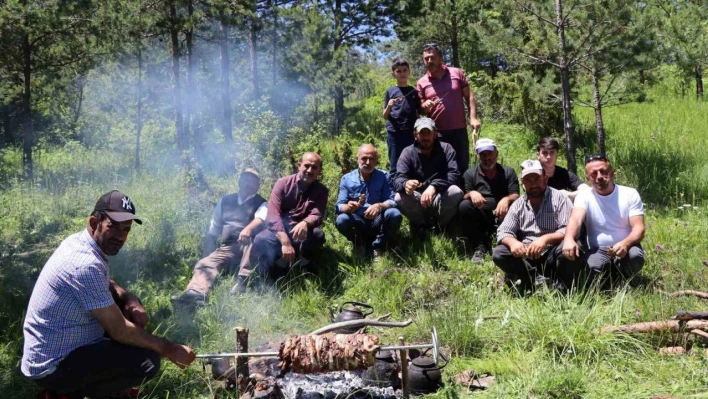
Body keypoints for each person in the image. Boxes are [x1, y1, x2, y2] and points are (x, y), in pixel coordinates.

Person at [21, 190, 195, 399]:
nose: (120, 236)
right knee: (147, 361)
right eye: (113, 226)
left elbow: (106, 284)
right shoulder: (84, 264)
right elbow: (119, 330)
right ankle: (65, 394)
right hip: (53, 365)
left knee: (126, 315)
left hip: (52, 350)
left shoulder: (80, 243)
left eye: (126, 229)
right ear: (95, 222)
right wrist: (170, 349)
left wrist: (128, 298)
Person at [171, 168, 268, 304]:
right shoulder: (225, 201)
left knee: (255, 238)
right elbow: (213, 229)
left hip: (250, 246)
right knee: (204, 264)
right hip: (229, 246)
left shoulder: (262, 203)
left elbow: (261, 218)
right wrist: (208, 254)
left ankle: (243, 282)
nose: (248, 183)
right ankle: (196, 294)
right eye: (246, 178)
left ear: (258, 185)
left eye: (253, 180)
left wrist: (248, 229)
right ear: (239, 180)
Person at [562, 155, 646, 284]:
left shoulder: (629, 194)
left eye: (604, 171)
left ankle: (627, 280)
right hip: (598, 249)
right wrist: (568, 239)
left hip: (627, 246)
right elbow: (576, 219)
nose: (599, 176)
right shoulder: (584, 196)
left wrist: (625, 243)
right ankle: (609, 277)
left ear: (612, 173)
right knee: (592, 268)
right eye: (594, 174)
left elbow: (639, 228)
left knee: (635, 257)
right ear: (588, 178)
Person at [493, 160, 575, 290]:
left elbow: (569, 228)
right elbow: (504, 231)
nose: (533, 184)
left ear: (545, 178)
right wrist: (513, 243)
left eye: (536, 179)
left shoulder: (560, 198)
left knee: (568, 247)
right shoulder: (518, 204)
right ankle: (536, 280)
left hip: (551, 253)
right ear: (523, 184)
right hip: (527, 255)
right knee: (499, 253)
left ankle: (561, 285)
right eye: (528, 180)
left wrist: (545, 239)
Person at [248, 153, 328, 282]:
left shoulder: (322, 190)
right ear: (299, 165)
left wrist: (305, 223)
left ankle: (304, 262)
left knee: (318, 235)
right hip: (280, 230)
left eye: (314, 168)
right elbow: (273, 215)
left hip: (302, 232)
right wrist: (285, 242)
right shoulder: (283, 183)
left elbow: (317, 214)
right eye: (306, 166)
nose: (309, 170)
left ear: (319, 171)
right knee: (261, 238)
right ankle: (277, 263)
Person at [416, 43, 482, 174]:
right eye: (426, 58)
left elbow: (469, 96)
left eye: (432, 57)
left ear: (441, 59)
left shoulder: (456, 73)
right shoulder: (422, 82)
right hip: (436, 133)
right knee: (441, 167)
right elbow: (421, 110)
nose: (429, 61)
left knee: (462, 165)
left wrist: (473, 118)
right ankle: (443, 193)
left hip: (459, 130)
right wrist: (425, 106)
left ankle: (463, 193)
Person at [392, 117, 463, 234]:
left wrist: (434, 187)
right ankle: (421, 226)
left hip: (440, 195)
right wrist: (405, 184)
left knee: (455, 192)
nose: (426, 137)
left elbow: (454, 174)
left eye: (428, 132)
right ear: (415, 134)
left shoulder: (446, 149)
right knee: (399, 197)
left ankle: (440, 226)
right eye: (422, 133)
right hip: (417, 198)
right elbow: (397, 178)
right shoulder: (407, 152)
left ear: (435, 133)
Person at [458, 138, 520, 263]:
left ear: (496, 153)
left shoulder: (508, 172)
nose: (487, 157)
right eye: (483, 154)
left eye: (489, 153)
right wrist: (472, 193)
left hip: (503, 214)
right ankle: (479, 246)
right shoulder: (470, 173)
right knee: (464, 206)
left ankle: (504, 245)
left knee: (513, 209)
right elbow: (463, 195)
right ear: (478, 156)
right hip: (481, 214)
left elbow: (516, 195)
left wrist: (506, 199)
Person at [336, 144, 402, 258]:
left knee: (394, 214)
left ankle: (379, 246)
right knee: (341, 219)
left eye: (371, 159)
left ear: (376, 161)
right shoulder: (347, 179)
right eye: (364, 158)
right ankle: (359, 244)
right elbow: (339, 205)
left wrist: (379, 206)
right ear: (357, 159)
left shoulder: (384, 176)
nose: (367, 162)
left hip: (378, 220)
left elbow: (392, 201)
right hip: (358, 221)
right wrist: (347, 207)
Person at [382, 57, 421, 175]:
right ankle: (394, 190)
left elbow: (417, 113)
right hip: (394, 133)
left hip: (410, 133)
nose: (402, 73)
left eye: (405, 70)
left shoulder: (414, 91)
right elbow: (384, 116)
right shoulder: (390, 91)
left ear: (409, 72)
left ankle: (411, 187)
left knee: (412, 161)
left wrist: (417, 131)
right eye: (398, 71)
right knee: (394, 164)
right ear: (393, 73)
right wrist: (389, 106)